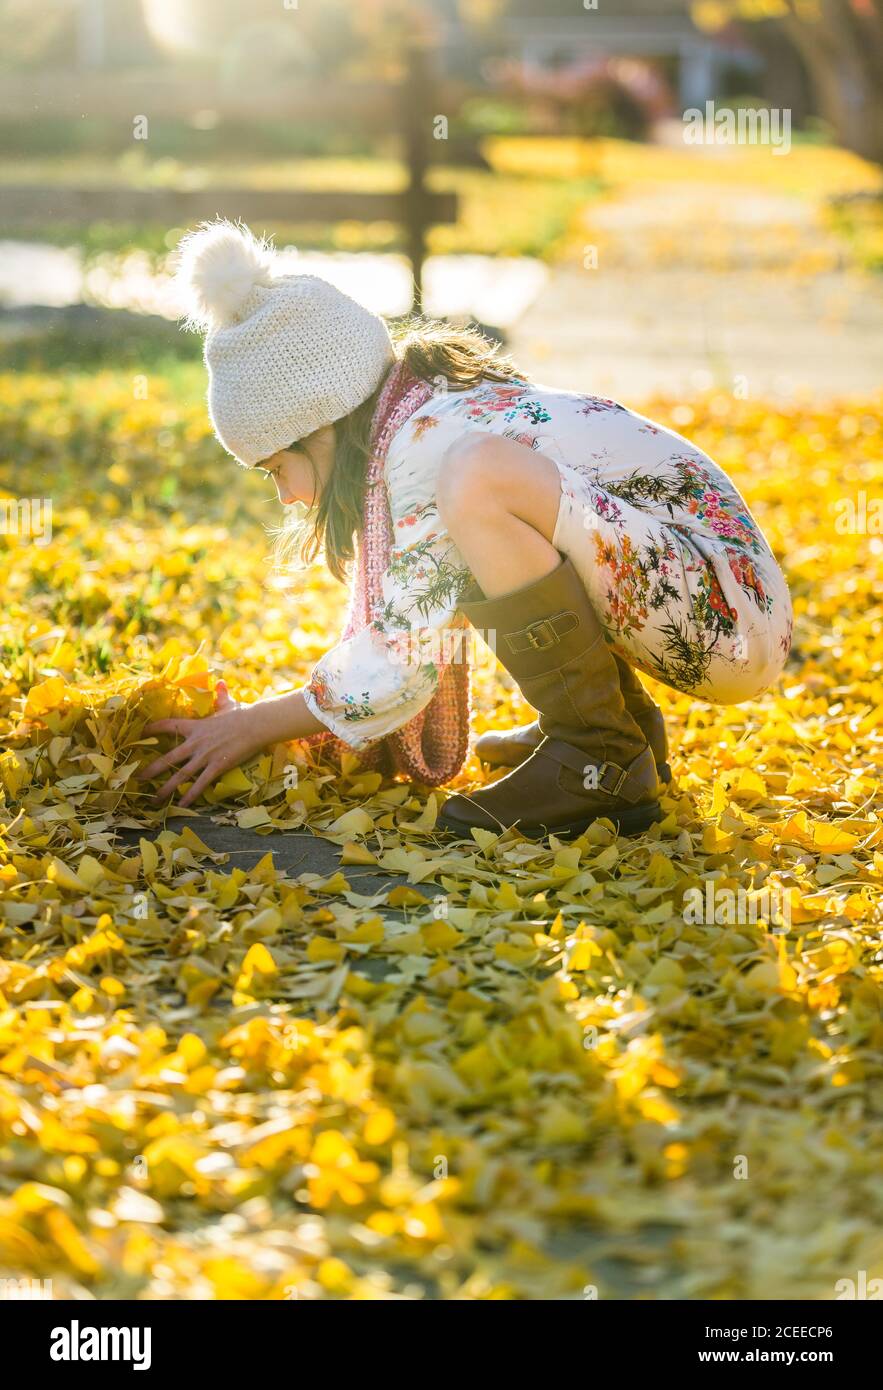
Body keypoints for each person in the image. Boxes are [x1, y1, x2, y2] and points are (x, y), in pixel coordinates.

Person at [139, 220, 792, 838]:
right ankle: (616, 729)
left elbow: (399, 659)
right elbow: (415, 617)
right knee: (471, 496)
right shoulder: (427, 409)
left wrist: (254, 725)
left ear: (324, 422)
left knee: (476, 478)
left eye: (278, 468)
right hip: (711, 601)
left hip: (728, 619)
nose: (286, 497)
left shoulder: (430, 441)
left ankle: (601, 756)